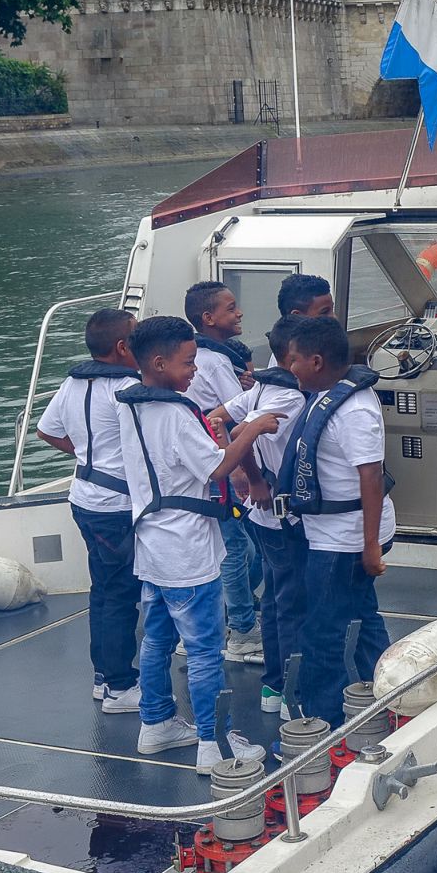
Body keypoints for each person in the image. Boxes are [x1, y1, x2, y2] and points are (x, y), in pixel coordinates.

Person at [116, 315, 283, 773]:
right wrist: (253, 426)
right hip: (187, 551)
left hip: (151, 545)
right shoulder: (173, 413)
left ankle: (155, 725)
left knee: (156, 640)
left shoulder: (128, 405)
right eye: (188, 362)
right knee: (206, 649)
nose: (194, 370)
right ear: (157, 362)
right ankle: (213, 746)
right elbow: (216, 467)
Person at [277, 315, 394, 728]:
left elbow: (371, 477)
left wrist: (371, 546)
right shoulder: (327, 395)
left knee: (323, 633)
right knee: (363, 618)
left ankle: (321, 722)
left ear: (317, 361)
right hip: (328, 534)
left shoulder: (354, 412)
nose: (289, 368)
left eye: (294, 361)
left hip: (344, 542)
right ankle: (392, 692)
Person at [34, 308, 143, 714]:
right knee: (120, 594)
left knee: (103, 589)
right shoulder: (129, 391)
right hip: (117, 507)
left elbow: (46, 430)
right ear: (122, 347)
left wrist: (85, 457)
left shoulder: (73, 381)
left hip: (84, 497)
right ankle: (119, 686)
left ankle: (103, 676)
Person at [217, 315, 309, 721]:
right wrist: (251, 476)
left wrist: (240, 470)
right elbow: (240, 433)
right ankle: (286, 692)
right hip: (279, 516)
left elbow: (216, 419)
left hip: (260, 518)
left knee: (274, 599)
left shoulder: (258, 389)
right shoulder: (287, 398)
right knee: (288, 603)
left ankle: (273, 687)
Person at [182, 280, 263, 666]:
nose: (240, 312)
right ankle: (243, 631)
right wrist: (245, 472)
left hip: (206, 466)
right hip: (223, 467)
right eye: (231, 308)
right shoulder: (214, 362)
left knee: (239, 548)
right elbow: (240, 414)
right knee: (237, 549)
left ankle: (229, 617)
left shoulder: (207, 358)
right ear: (208, 318)